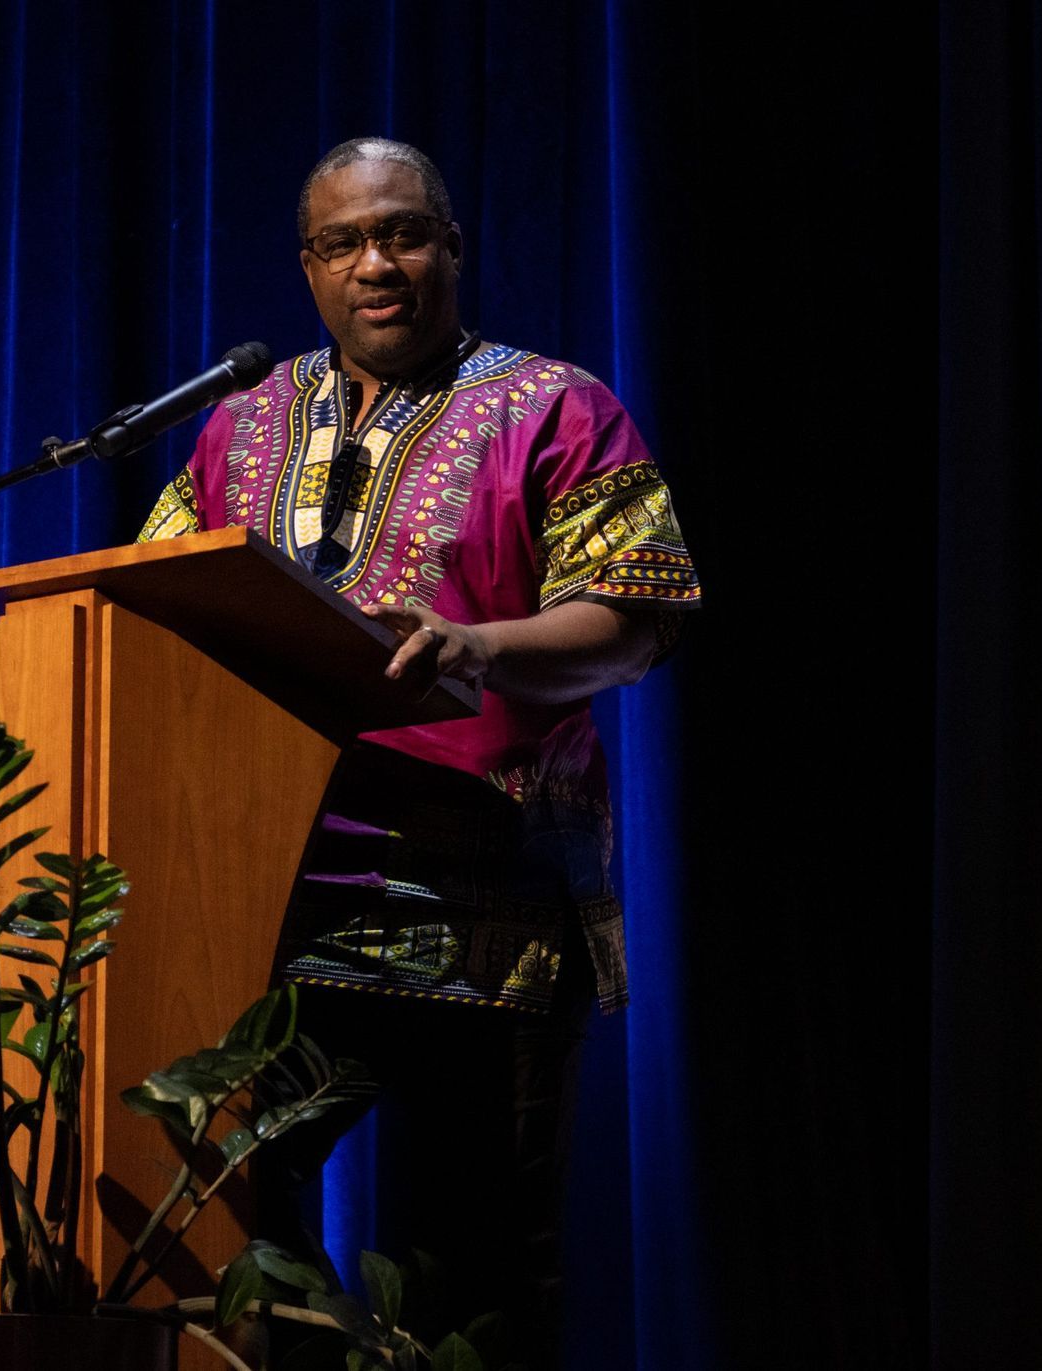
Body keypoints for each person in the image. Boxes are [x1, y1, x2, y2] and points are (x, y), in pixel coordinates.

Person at [136, 136, 699, 1364]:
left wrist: (481, 647)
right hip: (273, 907)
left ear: (451, 247)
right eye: (343, 242)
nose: (374, 263)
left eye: (401, 233)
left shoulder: (557, 407)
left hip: (484, 910)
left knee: (475, 1276)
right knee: (231, 1227)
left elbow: (641, 618)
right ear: (308, 267)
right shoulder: (239, 426)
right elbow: (151, 600)